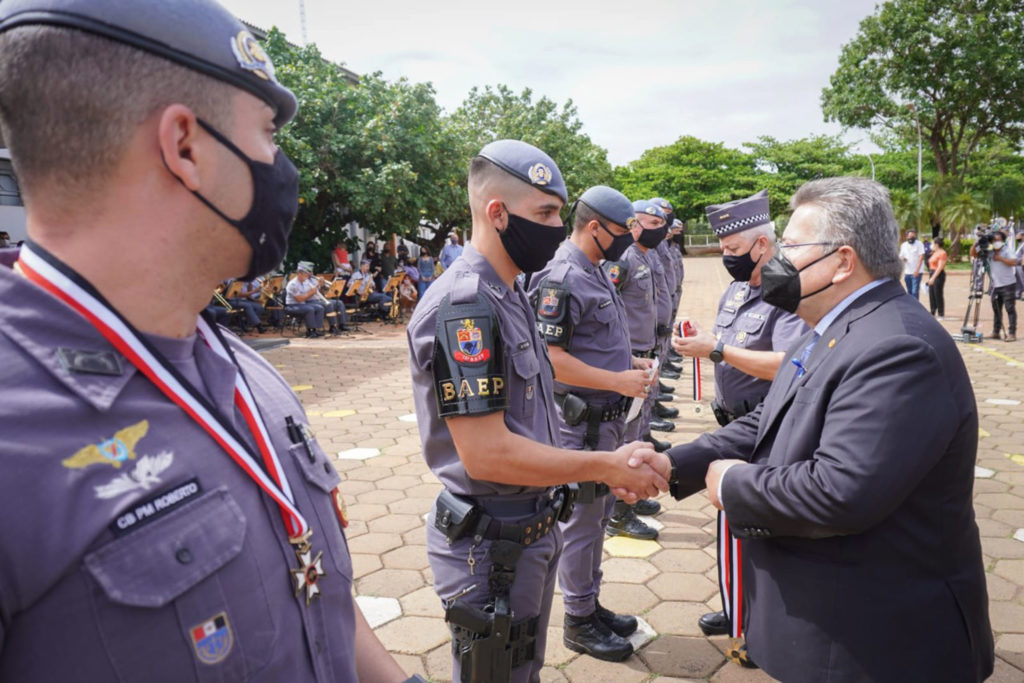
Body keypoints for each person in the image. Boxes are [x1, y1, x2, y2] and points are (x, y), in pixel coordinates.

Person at [0, 0, 415, 681]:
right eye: (267, 133)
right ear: (185, 147)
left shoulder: (243, 366)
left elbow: (318, 591)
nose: (281, 166)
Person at [647, 176, 993, 682]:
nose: (777, 261)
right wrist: (679, 464)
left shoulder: (896, 347)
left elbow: (841, 491)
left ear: (843, 261)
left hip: (877, 644)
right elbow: (774, 416)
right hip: (838, 623)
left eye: (790, 247)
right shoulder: (836, 326)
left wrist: (730, 483)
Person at [406, 139, 668, 683]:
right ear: (496, 213)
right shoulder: (467, 306)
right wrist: (602, 465)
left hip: (528, 529)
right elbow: (487, 455)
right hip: (490, 546)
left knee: (523, 670)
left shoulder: (510, 294)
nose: (558, 226)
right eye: (545, 213)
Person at [671, 189, 807, 659]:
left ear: (763, 247)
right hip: (732, 422)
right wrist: (702, 339)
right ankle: (737, 608)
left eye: (732, 251)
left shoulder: (785, 294)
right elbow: (724, 340)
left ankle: (757, 627)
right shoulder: (735, 289)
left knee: (759, 526)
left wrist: (716, 350)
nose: (725, 258)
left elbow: (789, 364)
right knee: (731, 525)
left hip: (767, 428)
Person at [528, 186, 651, 662]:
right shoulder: (562, 275)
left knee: (597, 519)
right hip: (580, 424)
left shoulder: (595, 268)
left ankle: (590, 603)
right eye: (622, 232)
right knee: (581, 521)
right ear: (594, 227)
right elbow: (551, 361)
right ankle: (578, 620)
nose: (628, 240)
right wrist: (617, 380)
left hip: (607, 419)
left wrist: (632, 365)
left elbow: (597, 343)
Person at [600, 200, 670, 541]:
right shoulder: (623, 258)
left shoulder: (645, 254)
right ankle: (618, 515)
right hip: (631, 360)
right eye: (652, 222)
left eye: (662, 222)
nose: (660, 227)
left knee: (640, 430)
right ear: (635, 225)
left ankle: (634, 494)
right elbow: (609, 309)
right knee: (628, 435)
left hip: (648, 354)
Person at [285, 262, 328, 337]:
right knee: (309, 309)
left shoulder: (304, 282)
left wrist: (317, 287)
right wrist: (311, 293)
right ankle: (310, 331)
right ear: (299, 274)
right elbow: (299, 299)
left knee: (319, 308)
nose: (307, 277)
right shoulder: (293, 284)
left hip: (302, 304)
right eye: (305, 275)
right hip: (292, 305)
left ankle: (317, 329)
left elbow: (306, 294)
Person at [898, 229, 925, 299]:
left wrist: (917, 270)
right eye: (910, 236)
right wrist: (903, 258)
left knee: (915, 291)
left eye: (913, 236)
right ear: (907, 237)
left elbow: (921, 257)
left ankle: (916, 308)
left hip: (916, 272)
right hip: (907, 272)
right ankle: (911, 307)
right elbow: (901, 256)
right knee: (909, 292)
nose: (911, 238)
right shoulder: (903, 245)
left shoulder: (919, 244)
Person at [926, 237, 948, 319]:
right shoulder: (934, 252)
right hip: (932, 273)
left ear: (937, 244)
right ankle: (932, 311)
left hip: (938, 275)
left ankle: (941, 313)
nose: (931, 245)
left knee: (938, 294)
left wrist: (933, 278)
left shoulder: (942, 253)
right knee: (932, 294)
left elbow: (940, 267)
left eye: (933, 243)